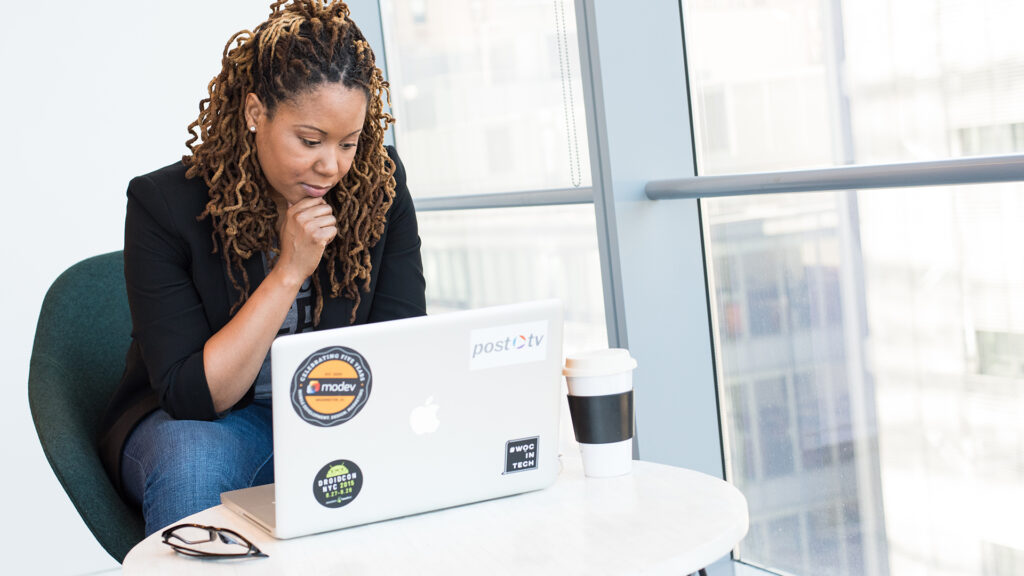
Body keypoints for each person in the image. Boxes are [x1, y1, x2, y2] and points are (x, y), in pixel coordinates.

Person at [97, 0, 426, 537]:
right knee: (192, 461)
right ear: (255, 112)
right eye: (310, 141)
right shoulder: (165, 204)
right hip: (213, 424)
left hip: (339, 413)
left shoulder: (377, 184)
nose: (332, 166)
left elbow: (401, 338)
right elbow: (196, 398)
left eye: (348, 143)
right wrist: (289, 272)